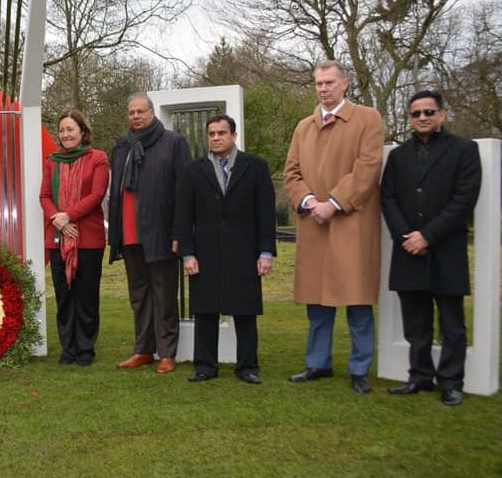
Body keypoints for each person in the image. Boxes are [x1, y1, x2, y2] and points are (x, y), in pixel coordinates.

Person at [283, 60, 383, 394]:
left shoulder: (367, 119)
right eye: (318, 84)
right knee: (318, 304)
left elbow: (367, 169)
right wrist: (310, 202)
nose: (323, 89)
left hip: (351, 223)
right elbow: (291, 173)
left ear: (345, 84)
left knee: (357, 302)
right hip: (313, 224)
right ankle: (318, 364)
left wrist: (334, 203)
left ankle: (359, 368)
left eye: (329, 82)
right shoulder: (303, 127)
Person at [381, 90, 481, 406]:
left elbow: (464, 199)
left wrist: (427, 236)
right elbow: (388, 198)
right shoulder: (398, 156)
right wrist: (406, 236)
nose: (422, 118)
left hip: (445, 247)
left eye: (428, 112)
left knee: (451, 321)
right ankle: (419, 376)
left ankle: (451, 381)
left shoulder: (464, 150)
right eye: (416, 113)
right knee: (416, 320)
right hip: (408, 248)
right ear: (409, 118)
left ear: (442, 114)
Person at [180, 115, 276, 384]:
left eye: (221, 132)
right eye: (211, 133)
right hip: (205, 251)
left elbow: (266, 213)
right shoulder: (193, 170)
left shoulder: (255, 167)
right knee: (205, 310)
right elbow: (183, 215)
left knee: (245, 310)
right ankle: (205, 367)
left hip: (244, 250)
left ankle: (247, 367)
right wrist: (187, 253)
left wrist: (265, 252)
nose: (216, 138)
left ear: (233, 135)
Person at [108, 93, 191, 374]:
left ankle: (167, 353)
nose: (136, 116)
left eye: (141, 111)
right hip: (130, 234)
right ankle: (143, 349)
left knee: (165, 294)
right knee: (139, 295)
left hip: (161, 234)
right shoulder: (121, 146)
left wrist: (180, 231)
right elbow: (116, 193)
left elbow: (184, 191)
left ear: (152, 112)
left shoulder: (173, 142)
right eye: (131, 112)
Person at [39, 110, 109, 367]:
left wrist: (68, 215)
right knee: (64, 295)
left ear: (82, 131)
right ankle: (69, 349)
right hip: (57, 237)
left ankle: (85, 349)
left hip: (88, 238)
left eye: (71, 129)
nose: (66, 134)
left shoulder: (98, 158)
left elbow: (97, 195)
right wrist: (57, 219)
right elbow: (44, 196)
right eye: (62, 130)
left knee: (87, 295)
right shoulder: (52, 161)